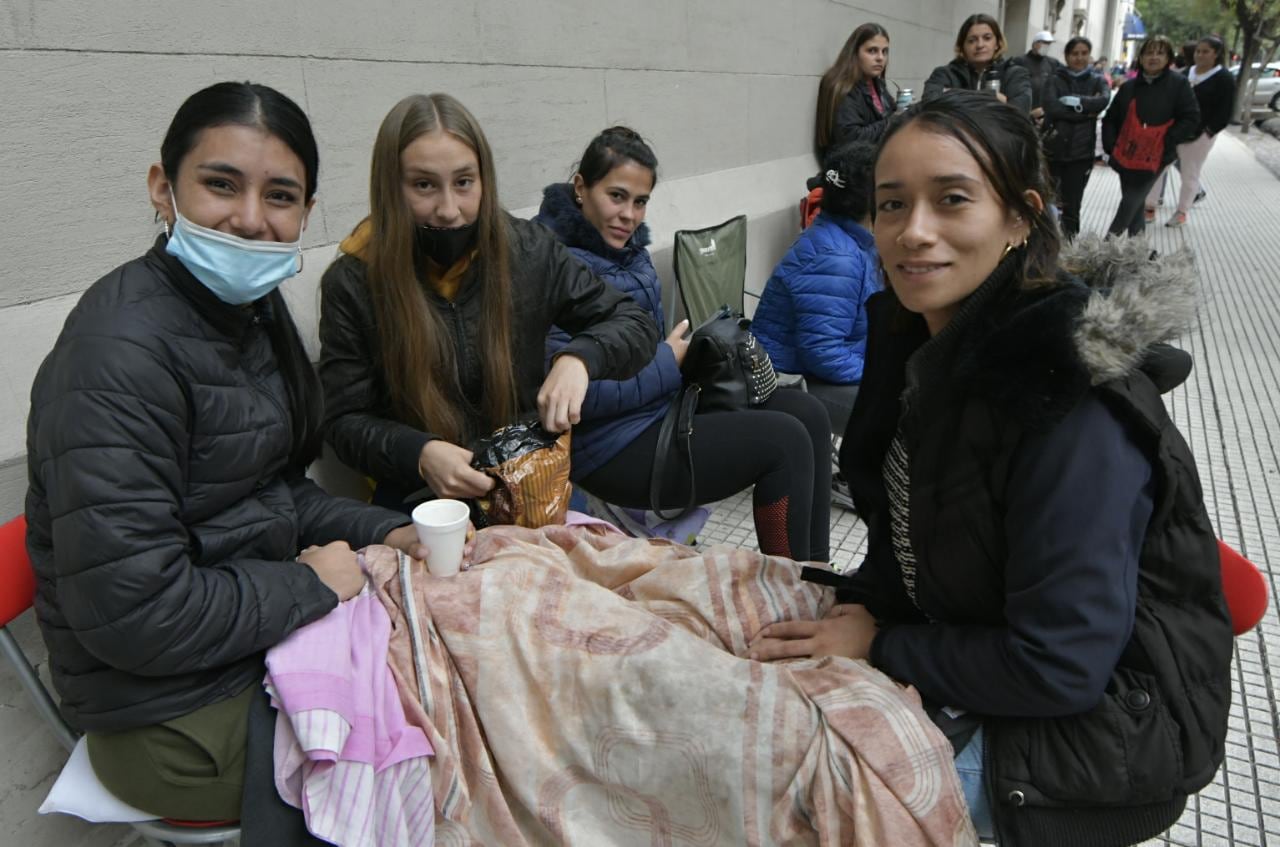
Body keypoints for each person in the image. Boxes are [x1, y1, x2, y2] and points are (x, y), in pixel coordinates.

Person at [747, 91, 1231, 845]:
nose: (914, 233)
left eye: (951, 200)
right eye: (891, 204)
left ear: (1019, 217)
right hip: (987, 648)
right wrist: (861, 608)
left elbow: (1061, 665)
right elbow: (908, 524)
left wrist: (879, 644)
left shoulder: (1066, 401)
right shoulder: (920, 334)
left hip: (1101, 734)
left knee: (772, 791)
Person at [25, 82, 430, 823]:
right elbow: (133, 612)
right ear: (162, 187)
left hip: (246, 634)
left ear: (306, 213)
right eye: (220, 184)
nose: (250, 220)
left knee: (468, 647)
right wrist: (310, 587)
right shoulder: (115, 355)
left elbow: (274, 493)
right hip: (161, 710)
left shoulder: (251, 316)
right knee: (441, 733)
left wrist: (385, 531)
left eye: (280, 196)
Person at [318, 94, 659, 514]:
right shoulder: (354, 281)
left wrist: (580, 358)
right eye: (424, 185)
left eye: (464, 183)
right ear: (391, 188)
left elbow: (634, 323)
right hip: (421, 494)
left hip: (529, 474)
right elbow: (343, 421)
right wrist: (420, 453)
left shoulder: (530, 250)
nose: (449, 210)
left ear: (484, 180)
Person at [534, 127, 833, 561]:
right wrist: (669, 360)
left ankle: (816, 571)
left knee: (807, 412)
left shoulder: (625, 249)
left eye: (640, 202)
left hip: (660, 410)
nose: (629, 215)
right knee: (782, 443)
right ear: (581, 187)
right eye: (616, 196)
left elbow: (640, 353)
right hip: (609, 446)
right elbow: (580, 398)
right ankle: (789, 587)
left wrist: (680, 356)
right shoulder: (555, 265)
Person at [753, 140, 880, 435]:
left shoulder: (854, 240)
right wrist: (879, 373)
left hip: (820, 370)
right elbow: (823, 353)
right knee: (897, 414)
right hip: (791, 383)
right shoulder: (837, 257)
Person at [1102, 35, 1199, 237]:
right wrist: (1110, 145)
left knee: (1131, 201)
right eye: (1149, 52)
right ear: (1141, 57)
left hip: (1157, 155)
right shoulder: (1129, 87)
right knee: (1135, 205)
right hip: (1125, 154)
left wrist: (1167, 140)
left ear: (1168, 58)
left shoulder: (1179, 84)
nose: (1153, 57)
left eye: (1160, 53)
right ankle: (1138, 251)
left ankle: (1105, 245)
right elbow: (1111, 118)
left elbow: (1191, 118)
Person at [1145, 35, 1234, 227]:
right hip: (1174, 131)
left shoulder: (1224, 78)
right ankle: (1149, 207)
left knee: (1189, 173)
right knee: (1159, 168)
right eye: (1198, 51)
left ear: (1216, 54)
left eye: (1205, 51)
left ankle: (1181, 211)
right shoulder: (1184, 74)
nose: (1200, 55)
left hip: (1200, 135)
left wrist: (1209, 132)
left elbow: (1225, 110)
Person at [1043, 36, 1111, 238]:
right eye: (1074, 53)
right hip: (1053, 150)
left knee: (1073, 206)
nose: (1079, 58)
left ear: (1089, 55)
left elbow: (1103, 101)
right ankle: (1045, 245)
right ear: (1066, 56)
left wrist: (1074, 101)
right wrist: (1084, 114)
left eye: (1084, 53)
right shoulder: (1055, 79)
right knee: (1048, 203)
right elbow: (1052, 107)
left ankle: (1069, 248)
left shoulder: (1097, 80)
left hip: (1081, 154)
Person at [814, 23, 896, 158]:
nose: (880, 58)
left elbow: (891, 114)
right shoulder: (841, 85)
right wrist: (893, 121)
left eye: (884, 51)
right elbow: (851, 138)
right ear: (855, 53)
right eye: (872, 51)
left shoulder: (877, 83)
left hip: (875, 157)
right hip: (848, 166)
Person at [923, 14, 1032, 114]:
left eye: (987, 38)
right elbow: (929, 103)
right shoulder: (944, 74)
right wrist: (994, 96)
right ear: (962, 47)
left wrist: (949, 93)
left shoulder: (1015, 74)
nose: (980, 45)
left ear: (997, 43)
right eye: (972, 40)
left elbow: (1019, 113)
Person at [1010, 29, 1062, 120]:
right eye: (1044, 43)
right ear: (1034, 44)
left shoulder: (1053, 63)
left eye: (1049, 44)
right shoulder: (1020, 61)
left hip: (1044, 114)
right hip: (1023, 113)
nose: (1047, 46)